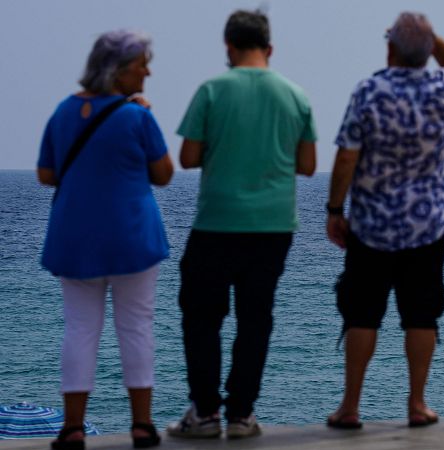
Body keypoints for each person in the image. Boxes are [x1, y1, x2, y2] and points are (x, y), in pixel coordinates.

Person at [166, 9, 317, 439]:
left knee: (202, 318)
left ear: (228, 48)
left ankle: (205, 413)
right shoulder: (295, 95)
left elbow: (188, 158)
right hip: (272, 226)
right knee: (256, 319)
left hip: (217, 222)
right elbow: (307, 166)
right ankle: (242, 414)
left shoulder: (212, 90)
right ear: (269, 49)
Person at [325, 12, 444, 429]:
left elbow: (347, 155)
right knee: (422, 316)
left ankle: (350, 407)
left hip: (371, 226)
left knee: (362, 314)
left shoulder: (370, 90)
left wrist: (336, 210)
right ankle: (417, 404)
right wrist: (429, 39)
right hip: (426, 227)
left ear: (389, 49)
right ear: (426, 51)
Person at [37, 30, 173, 450]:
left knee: (79, 328)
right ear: (118, 71)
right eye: (141, 65)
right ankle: (142, 425)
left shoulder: (63, 111)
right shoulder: (137, 116)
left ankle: (73, 427)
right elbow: (164, 174)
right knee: (136, 327)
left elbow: (46, 175)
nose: (148, 72)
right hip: (132, 237)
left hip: (74, 237)